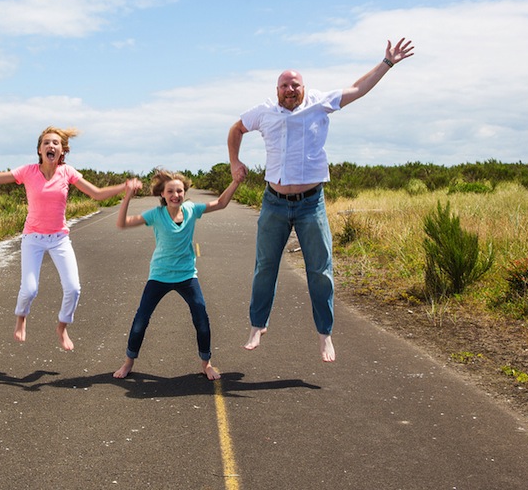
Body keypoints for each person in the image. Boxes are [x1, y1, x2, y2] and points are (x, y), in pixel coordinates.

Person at [228, 38, 415, 362]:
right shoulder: (263, 112)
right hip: (274, 202)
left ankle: (325, 335)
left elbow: (358, 89)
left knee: (320, 270)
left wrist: (387, 63)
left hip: (310, 203)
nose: (290, 89)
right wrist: (234, 161)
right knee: (265, 268)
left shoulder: (320, 103)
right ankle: (258, 325)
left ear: (303, 87)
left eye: (295, 84)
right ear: (277, 89)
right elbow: (236, 129)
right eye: (284, 85)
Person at [0, 127, 136, 351]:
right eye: (46, 143)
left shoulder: (68, 172)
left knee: (74, 288)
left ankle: (62, 327)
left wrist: (124, 187)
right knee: (29, 289)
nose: (50, 146)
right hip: (33, 238)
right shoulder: (28, 171)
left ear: (62, 150)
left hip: (59, 238)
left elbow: (96, 193)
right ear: (39, 150)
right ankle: (21, 319)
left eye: (55, 143)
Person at [112, 168, 244, 381]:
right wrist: (128, 196)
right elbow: (122, 223)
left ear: (185, 192)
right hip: (159, 275)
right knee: (140, 320)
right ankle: (128, 362)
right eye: (170, 191)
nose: (176, 195)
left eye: (179, 191)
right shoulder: (156, 215)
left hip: (186, 276)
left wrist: (236, 182)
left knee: (201, 316)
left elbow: (220, 203)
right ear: (162, 194)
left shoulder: (192, 209)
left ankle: (206, 363)